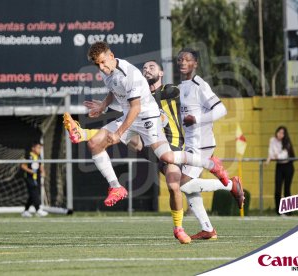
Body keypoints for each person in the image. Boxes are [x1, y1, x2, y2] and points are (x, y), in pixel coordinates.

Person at [63, 41, 229, 226]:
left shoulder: (155, 84)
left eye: (103, 62)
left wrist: (118, 133)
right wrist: (103, 105)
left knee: (177, 182)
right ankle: (116, 186)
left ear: (111, 56)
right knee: (95, 144)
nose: (101, 67)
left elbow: (136, 107)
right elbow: (114, 90)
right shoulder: (108, 72)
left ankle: (213, 170)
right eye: (97, 65)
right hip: (132, 119)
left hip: (149, 121)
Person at [176, 48, 245, 239]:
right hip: (191, 144)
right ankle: (207, 229)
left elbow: (221, 110)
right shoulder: (181, 88)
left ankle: (230, 186)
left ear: (195, 64)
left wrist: (197, 119)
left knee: (182, 184)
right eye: (180, 59)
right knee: (189, 189)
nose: (183, 62)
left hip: (202, 145)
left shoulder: (200, 85)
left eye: (187, 59)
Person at [266, 126, 295, 215]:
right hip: (279, 166)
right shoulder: (272, 140)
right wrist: (271, 156)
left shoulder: (287, 142)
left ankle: (288, 211)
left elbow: (284, 155)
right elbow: (271, 152)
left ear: (285, 135)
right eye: (279, 132)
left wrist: (275, 156)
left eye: (282, 133)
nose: (280, 134)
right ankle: (279, 211)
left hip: (288, 166)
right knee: (277, 189)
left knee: (287, 189)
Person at [20, 141, 48, 217]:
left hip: (36, 177)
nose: (40, 149)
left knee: (33, 194)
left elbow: (41, 166)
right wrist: (30, 171)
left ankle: (25, 211)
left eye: (41, 148)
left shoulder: (39, 157)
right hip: (29, 177)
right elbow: (23, 166)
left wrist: (43, 172)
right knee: (34, 192)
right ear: (33, 148)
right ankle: (38, 210)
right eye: (38, 148)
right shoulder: (28, 155)